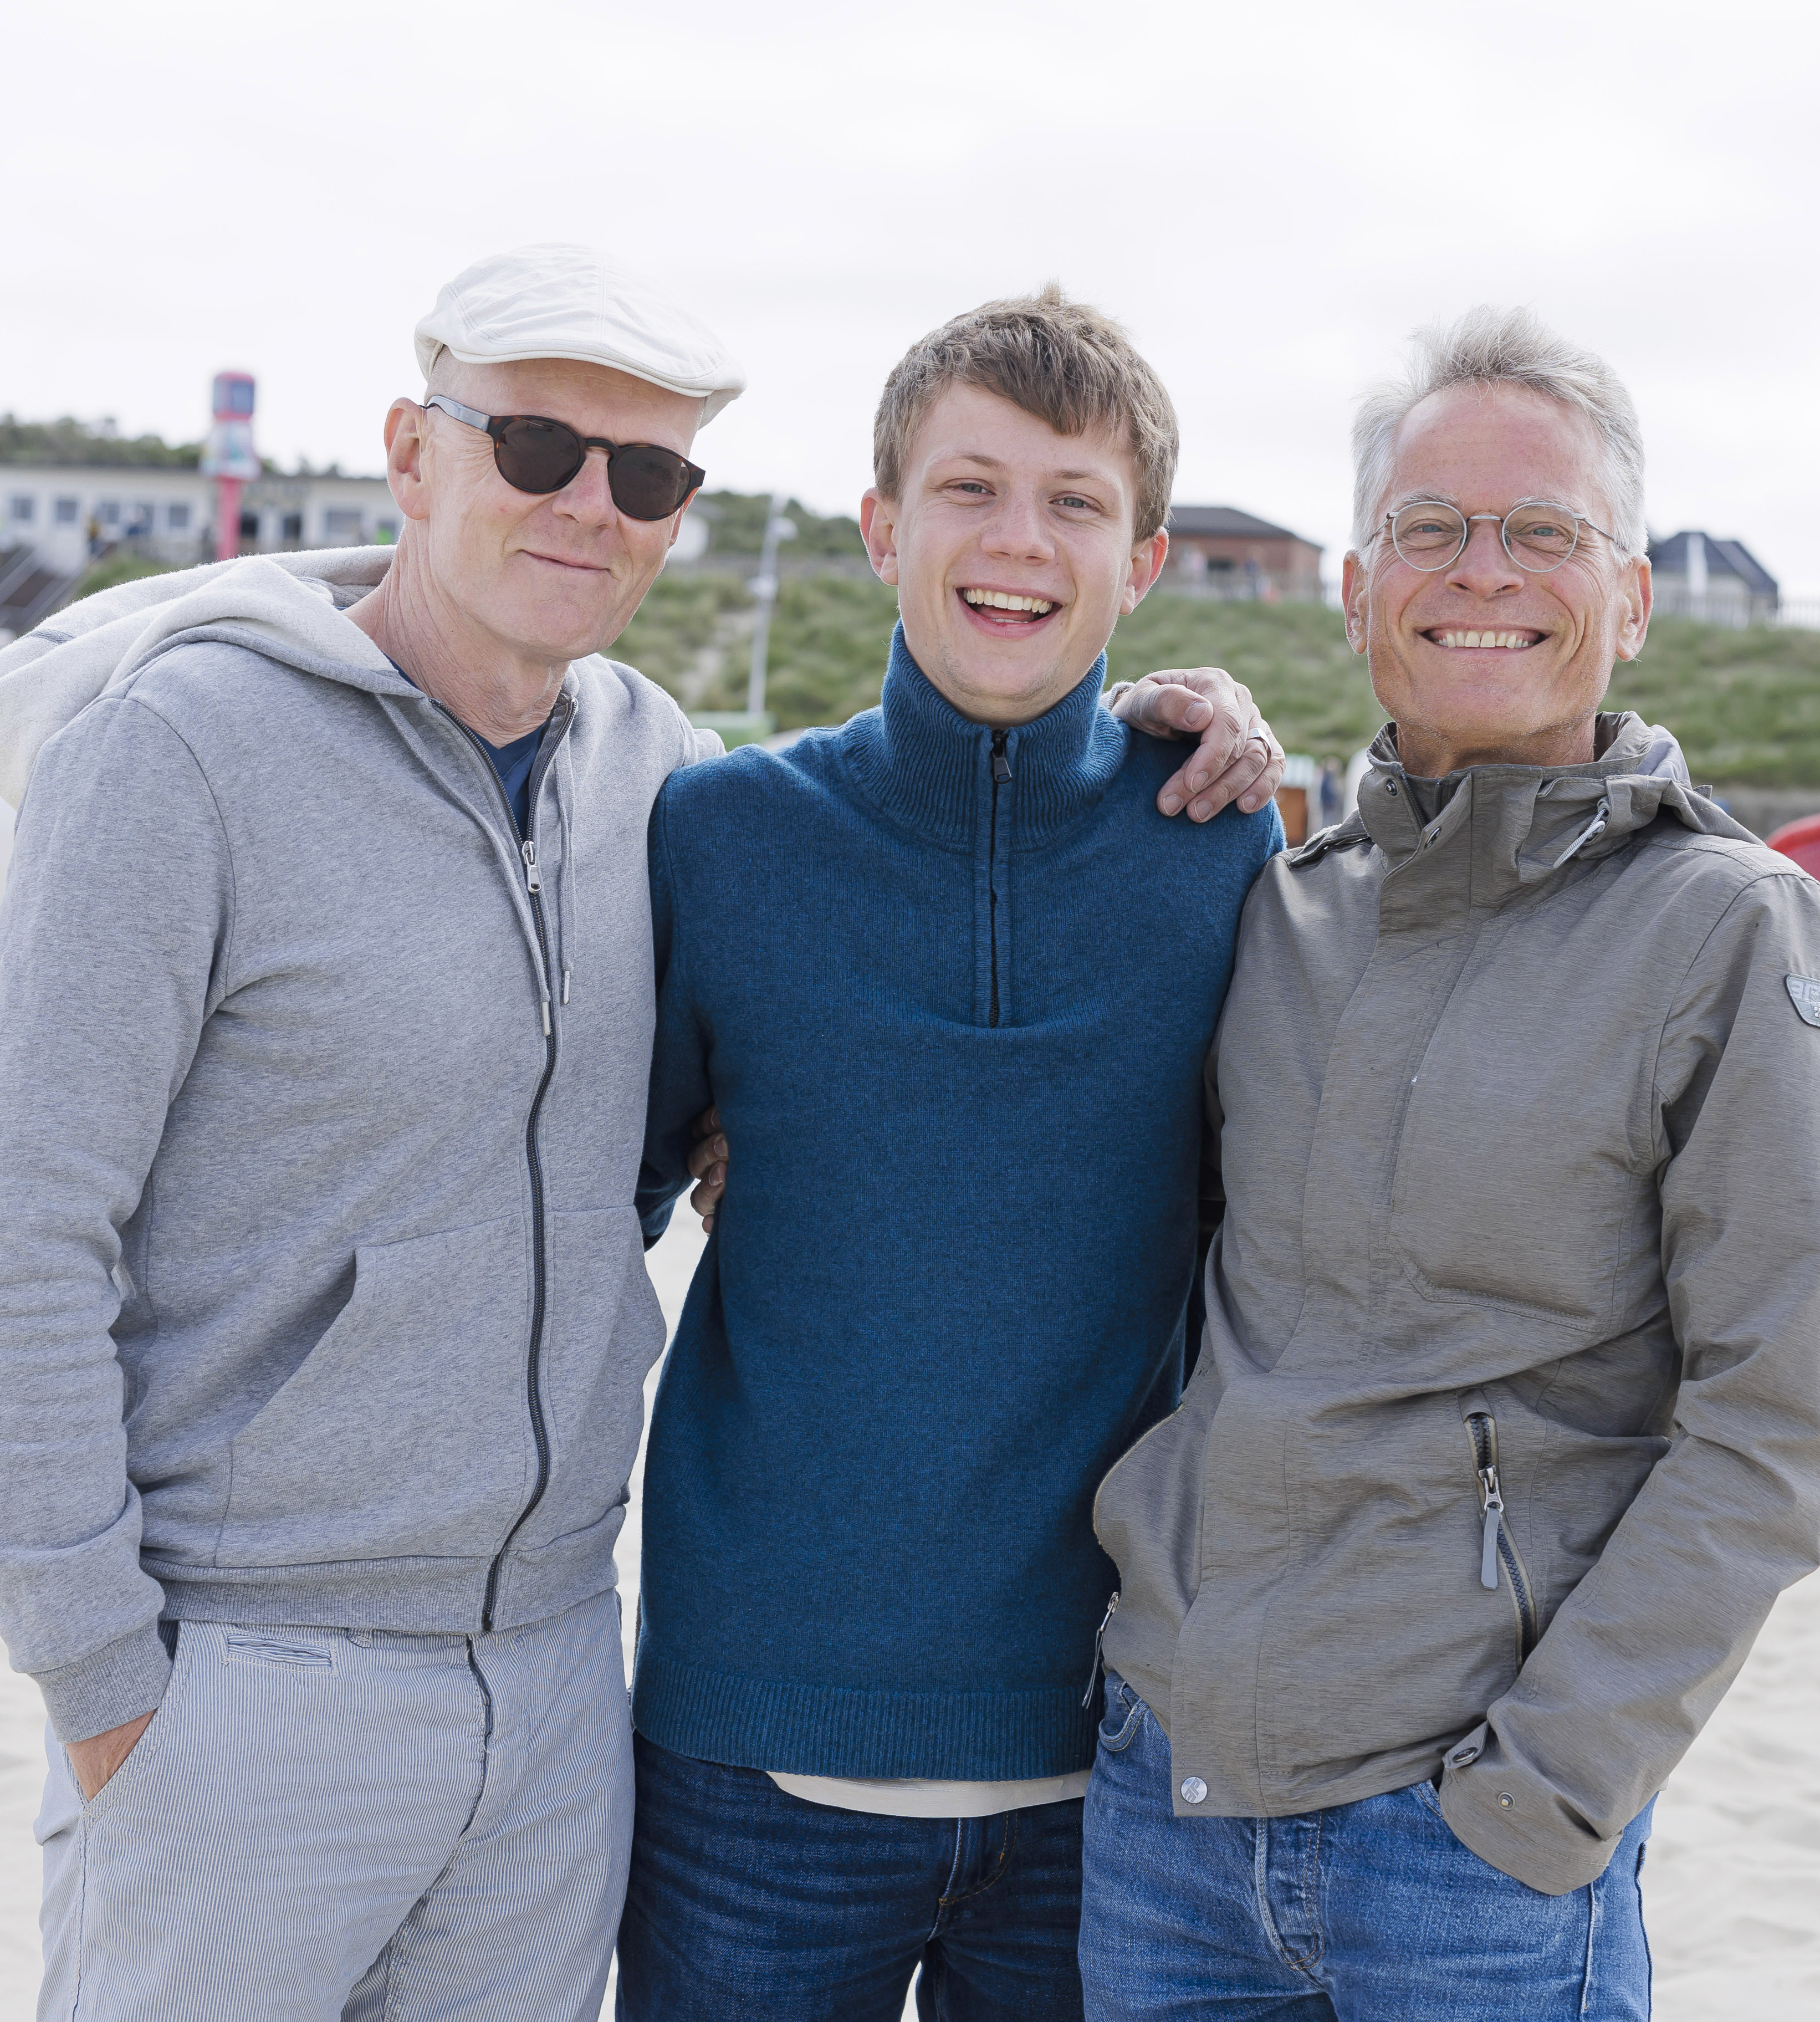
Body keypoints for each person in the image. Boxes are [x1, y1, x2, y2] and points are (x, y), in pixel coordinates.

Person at [0, 246, 1275, 2022]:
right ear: (414, 454)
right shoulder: (206, 749)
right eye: (538, 450)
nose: (589, 504)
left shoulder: (668, 777)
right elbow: (15, 1237)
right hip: (267, 1674)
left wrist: (1215, 720)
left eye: (643, 475)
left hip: (581, 1686)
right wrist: (104, 1687)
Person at [1080, 307, 1820, 2020]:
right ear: (1358, 590)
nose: (1483, 571)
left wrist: (1539, 1796)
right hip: (1166, 1812)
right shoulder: (1270, 898)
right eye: (1431, 529)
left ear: (1636, 593)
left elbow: (1788, 1431)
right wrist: (1118, 740)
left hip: (1474, 1859)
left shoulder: (1735, 934)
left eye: (1545, 531)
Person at [615, 288, 1287, 2020]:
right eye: (970, 488)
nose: (1017, 541)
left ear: (1144, 564)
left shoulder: (1225, 855)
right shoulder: (726, 835)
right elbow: (590, 1204)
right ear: (879, 527)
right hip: (749, 1759)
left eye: (1075, 502)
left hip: (1111, 1770)